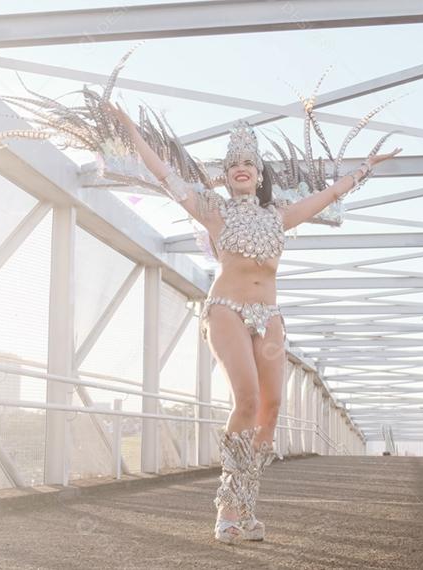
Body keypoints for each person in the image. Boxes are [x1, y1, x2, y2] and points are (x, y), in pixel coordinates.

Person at [105, 102, 401, 543]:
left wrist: (366, 168)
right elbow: (165, 174)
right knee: (245, 400)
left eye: (249, 163)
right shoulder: (212, 210)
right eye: (233, 165)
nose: (241, 169)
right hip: (226, 308)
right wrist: (130, 128)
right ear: (224, 176)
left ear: (259, 174)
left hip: (270, 316)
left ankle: (246, 506)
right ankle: (226, 506)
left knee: (272, 407)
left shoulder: (280, 216)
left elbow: (331, 195)